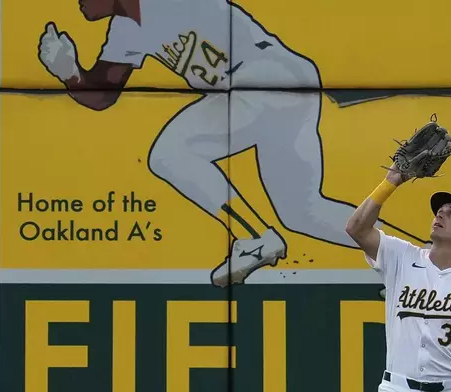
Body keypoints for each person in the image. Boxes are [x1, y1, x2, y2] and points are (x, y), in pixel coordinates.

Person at [37, 0, 426, 287]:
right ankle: (422, 262)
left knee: (171, 152)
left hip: (264, 77)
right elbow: (103, 96)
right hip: (282, 84)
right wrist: (70, 73)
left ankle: (255, 238)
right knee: (302, 212)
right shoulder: (125, 31)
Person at [345, 163, 451, 391]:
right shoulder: (401, 256)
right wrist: (390, 182)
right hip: (397, 387)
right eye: (439, 211)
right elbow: (356, 228)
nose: (440, 214)